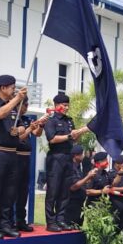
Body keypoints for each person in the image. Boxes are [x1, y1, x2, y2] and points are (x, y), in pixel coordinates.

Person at [0, 74, 27, 240]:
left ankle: (5, 224)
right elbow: (1, 114)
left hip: (12, 153)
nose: (14, 91)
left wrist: (18, 130)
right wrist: (17, 99)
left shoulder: (14, 107)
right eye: (12, 88)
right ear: (2, 88)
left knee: (10, 192)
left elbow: (22, 127)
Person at [44, 93, 89, 232]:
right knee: (53, 191)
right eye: (64, 105)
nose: (66, 108)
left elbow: (73, 140)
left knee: (65, 191)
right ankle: (51, 222)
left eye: (67, 105)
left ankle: (60, 219)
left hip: (68, 158)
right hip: (56, 157)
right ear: (57, 105)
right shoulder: (51, 120)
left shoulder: (69, 121)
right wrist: (69, 136)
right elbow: (52, 139)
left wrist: (79, 132)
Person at [14, 97, 48, 232]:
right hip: (15, 157)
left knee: (24, 191)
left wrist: (41, 125)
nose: (26, 107)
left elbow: (37, 134)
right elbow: (17, 138)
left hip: (26, 158)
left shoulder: (26, 119)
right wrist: (29, 129)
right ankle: (9, 221)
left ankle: (21, 220)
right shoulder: (13, 119)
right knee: (13, 191)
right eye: (24, 104)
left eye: (28, 104)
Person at [65, 145, 97, 227]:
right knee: (71, 227)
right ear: (76, 155)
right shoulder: (71, 168)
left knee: (78, 227)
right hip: (71, 205)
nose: (83, 156)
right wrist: (88, 177)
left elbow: (81, 182)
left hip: (79, 204)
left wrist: (88, 178)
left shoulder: (79, 167)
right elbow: (73, 187)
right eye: (81, 154)